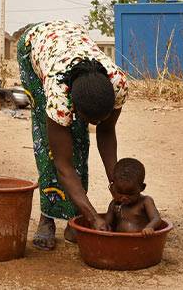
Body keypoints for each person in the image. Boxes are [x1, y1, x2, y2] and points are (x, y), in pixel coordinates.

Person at [18, 20, 129, 250]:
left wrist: (117, 184)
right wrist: (93, 216)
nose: (96, 124)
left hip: (69, 38)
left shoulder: (117, 83)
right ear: (74, 106)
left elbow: (107, 132)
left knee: (79, 140)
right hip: (35, 46)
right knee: (50, 147)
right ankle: (47, 217)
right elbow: (63, 164)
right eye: (90, 120)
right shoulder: (59, 94)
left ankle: (74, 217)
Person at [104, 158, 162, 235]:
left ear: (142, 188)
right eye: (119, 192)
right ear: (113, 186)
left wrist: (149, 227)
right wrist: (106, 228)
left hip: (140, 241)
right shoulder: (114, 204)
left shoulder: (145, 201)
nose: (124, 197)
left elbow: (156, 219)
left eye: (130, 194)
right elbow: (107, 224)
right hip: (119, 241)